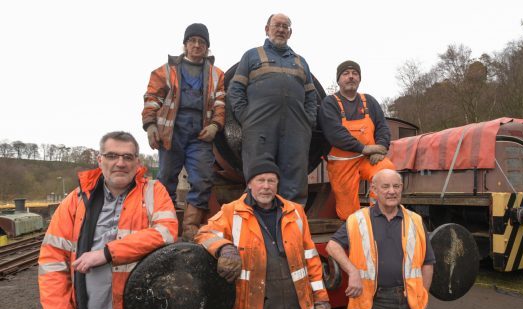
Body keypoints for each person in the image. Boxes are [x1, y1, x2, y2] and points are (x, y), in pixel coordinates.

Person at [38, 131, 178, 309]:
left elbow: (166, 233)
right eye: (112, 155)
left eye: (128, 157)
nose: (120, 163)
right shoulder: (75, 200)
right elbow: (52, 263)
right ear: (100, 159)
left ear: (137, 162)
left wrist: (106, 252)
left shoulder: (154, 192)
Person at [196, 155, 330, 309]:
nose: (266, 186)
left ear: (278, 184)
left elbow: (311, 257)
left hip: (299, 307)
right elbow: (204, 234)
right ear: (249, 183)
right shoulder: (232, 211)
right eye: (260, 180)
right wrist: (224, 247)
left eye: (271, 181)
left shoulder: (295, 211)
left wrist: (321, 298)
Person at [325, 169, 435, 309]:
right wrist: (353, 272)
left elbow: (428, 262)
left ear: (402, 188)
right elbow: (332, 246)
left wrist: (424, 293)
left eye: (396, 186)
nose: (392, 191)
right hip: (379, 300)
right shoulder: (358, 220)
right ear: (374, 190)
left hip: (412, 298)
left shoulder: (416, 221)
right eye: (385, 186)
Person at [142, 23, 225, 241]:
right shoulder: (165, 71)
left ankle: (190, 228)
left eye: (202, 42)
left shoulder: (217, 75)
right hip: (172, 132)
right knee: (166, 178)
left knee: (203, 179)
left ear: (207, 48)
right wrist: (150, 126)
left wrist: (215, 126)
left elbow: (220, 103)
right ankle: (165, 225)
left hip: (200, 135)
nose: (197, 45)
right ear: (185, 44)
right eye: (193, 41)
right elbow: (152, 98)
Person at [228, 13, 317, 205]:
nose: (281, 29)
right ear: (266, 29)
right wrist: (247, 117)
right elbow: (235, 90)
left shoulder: (301, 62)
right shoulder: (252, 55)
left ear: (290, 32)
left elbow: (311, 96)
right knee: (260, 177)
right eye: (277, 25)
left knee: (295, 177)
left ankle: (291, 225)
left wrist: (308, 121)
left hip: (296, 129)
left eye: (285, 26)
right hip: (259, 129)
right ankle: (256, 225)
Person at [318, 60, 396, 220]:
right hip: (342, 163)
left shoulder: (369, 101)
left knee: (386, 172)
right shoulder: (330, 103)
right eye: (346, 74)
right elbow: (335, 134)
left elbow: (382, 127)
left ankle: (380, 219)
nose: (351, 77)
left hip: (369, 159)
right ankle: (355, 234)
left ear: (359, 79)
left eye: (355, 74)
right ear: (338, 80)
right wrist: (364, 148)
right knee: (348, 214)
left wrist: (380, 147)